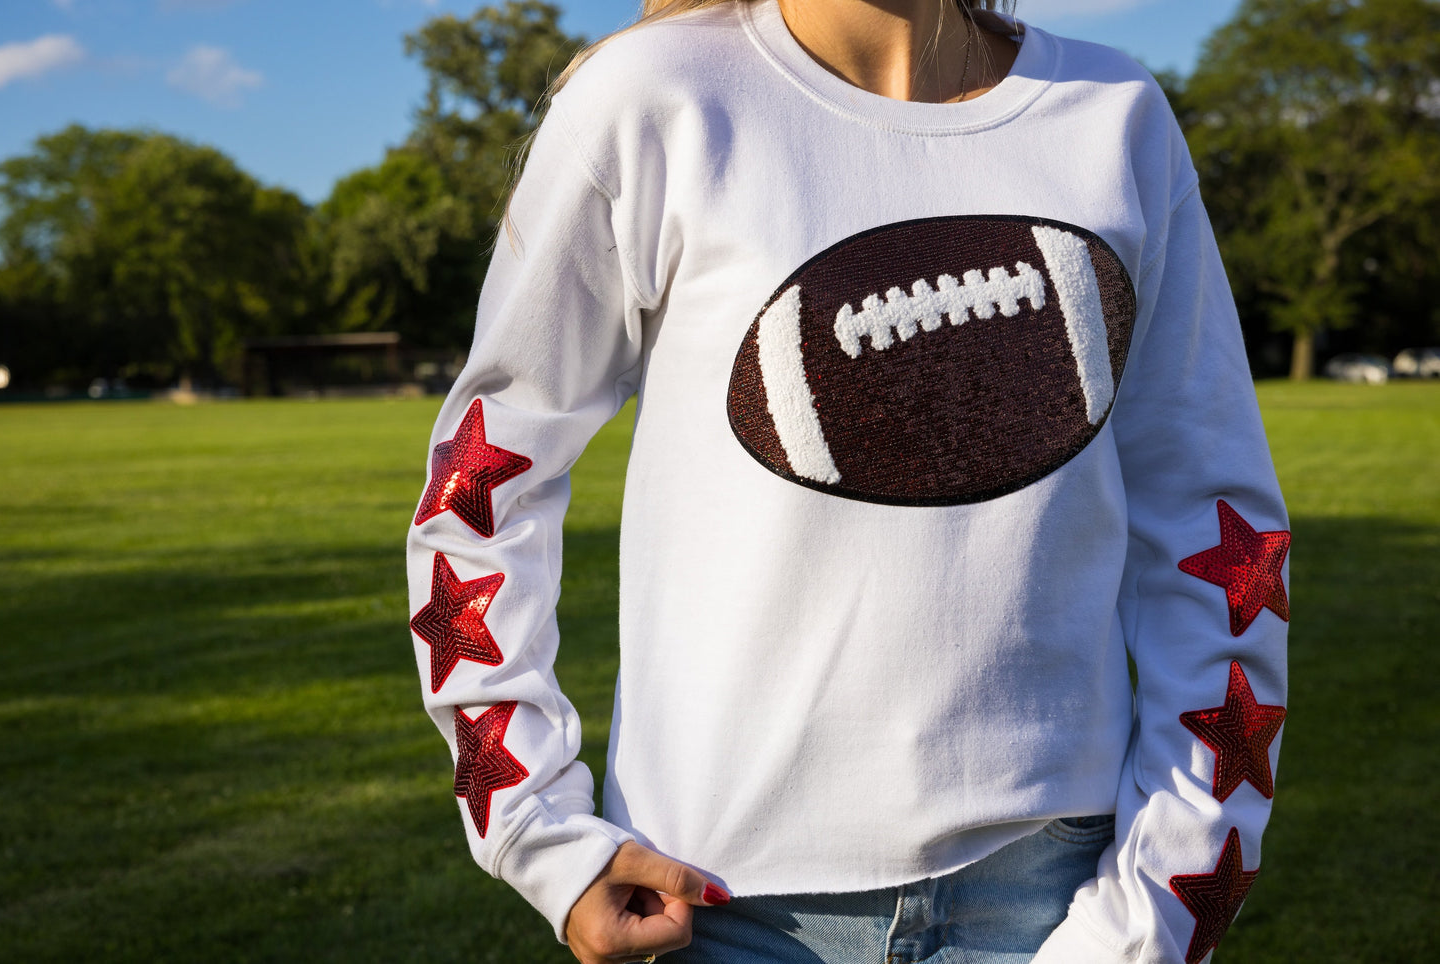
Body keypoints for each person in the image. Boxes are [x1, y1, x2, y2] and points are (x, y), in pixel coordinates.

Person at [405, 0, 1290, 961]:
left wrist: (1173, 888)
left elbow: (1214, 522)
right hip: (715, 900)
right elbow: (488, 487)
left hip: (1050, 892)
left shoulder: (1112, 113)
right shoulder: (654, 97)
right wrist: (535, 827)